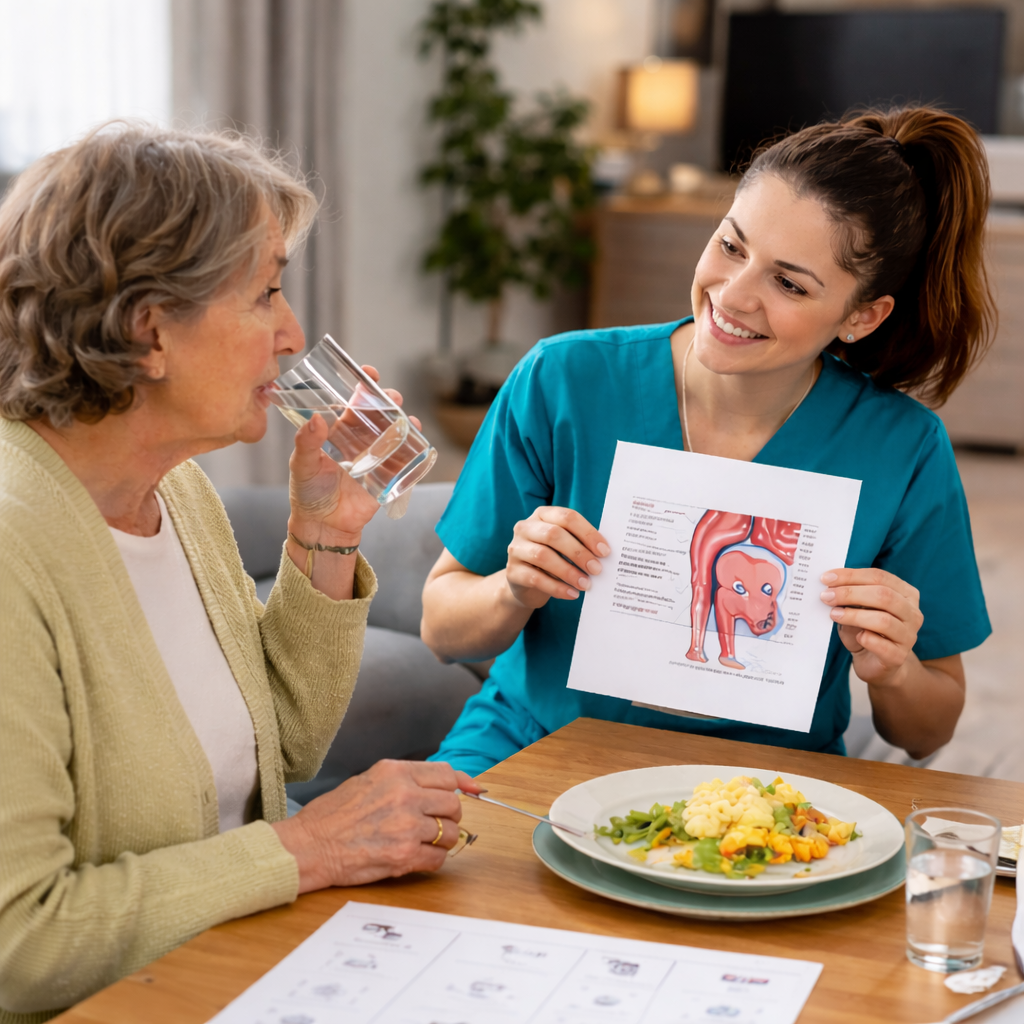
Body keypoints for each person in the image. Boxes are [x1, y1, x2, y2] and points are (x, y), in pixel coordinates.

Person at [0, 123, 480, 1023]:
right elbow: (21, 945)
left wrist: (324, 533)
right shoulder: (11, 550)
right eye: (265, 295)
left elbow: (284, 748)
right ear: (151, 333)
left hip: (235, 966)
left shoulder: (176, 491)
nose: (294, 333)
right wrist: (312, 849)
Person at [420, 106, 993, 775]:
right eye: (731, 245)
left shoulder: (903, 448)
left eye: (787, 282)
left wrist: (892, 668)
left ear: (861, 316)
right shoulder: (563, 380)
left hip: (764, 788)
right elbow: (440, 625)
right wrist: (513, 589)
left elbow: (929, 730)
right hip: (536, 747)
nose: (733, 294)